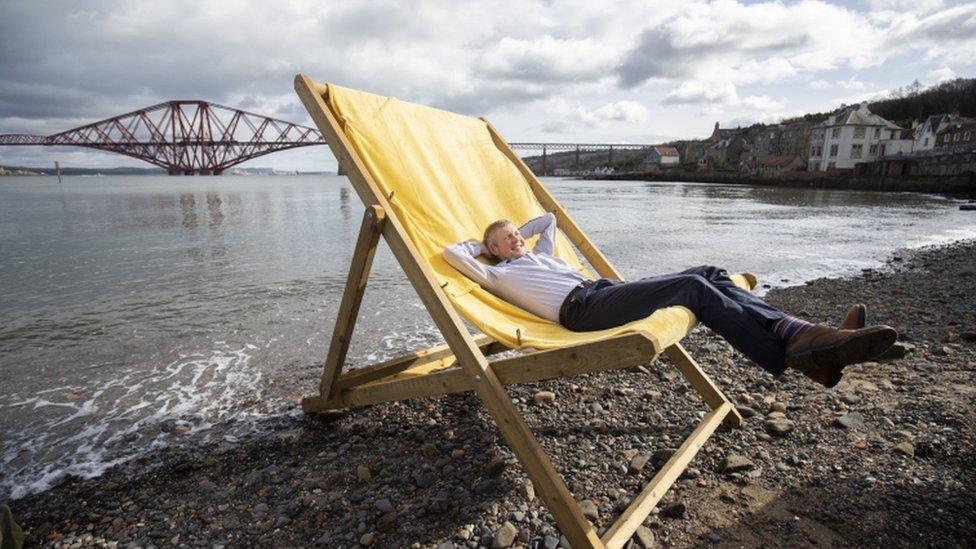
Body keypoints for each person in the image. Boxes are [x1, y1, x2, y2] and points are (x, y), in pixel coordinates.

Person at [443, 212, 897, 388]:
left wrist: (517, 232)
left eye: (514, 236)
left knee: (707, 272)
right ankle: (802, 346)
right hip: (580, 312)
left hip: (599, 292)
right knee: (694, 290)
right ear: (494, 250)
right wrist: (486, 247)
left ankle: (799, 339)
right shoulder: (496, 273)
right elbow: (452, 253)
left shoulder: (533, 251)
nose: (515, 241)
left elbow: (547, 223)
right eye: (506, 239)